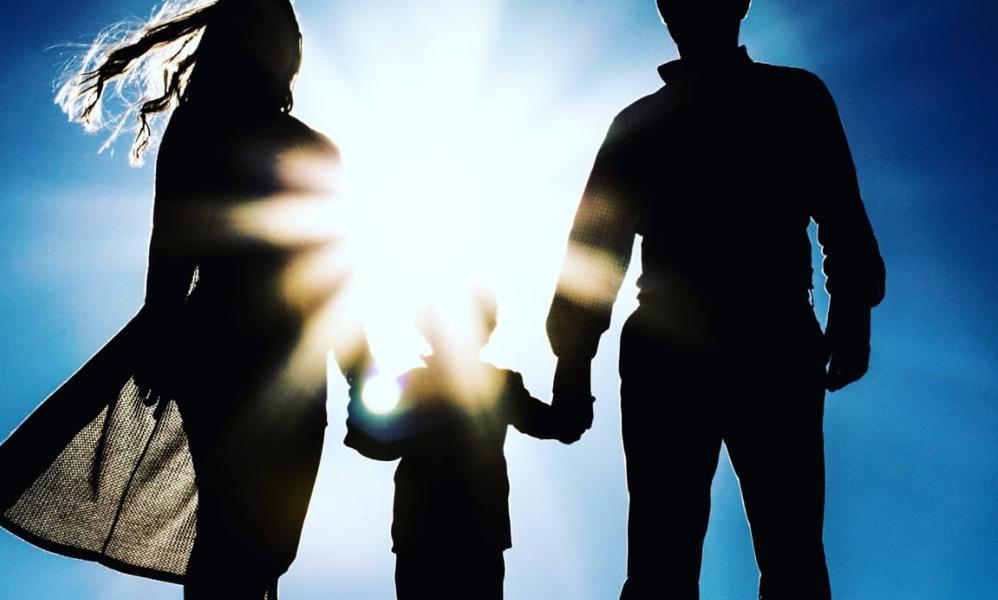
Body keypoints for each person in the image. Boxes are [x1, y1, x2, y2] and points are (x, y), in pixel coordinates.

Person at [0, 1, 370, 597]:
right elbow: (172, 245)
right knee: (234, 530)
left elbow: (336, 274)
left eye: (288, 32)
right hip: (221, 351)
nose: (281, 43)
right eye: (267, 28)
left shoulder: (316, 148)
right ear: (236, 39)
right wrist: (161, 332)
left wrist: (362, 376)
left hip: (298, 371)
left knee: (270, 549)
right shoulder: (202, 126)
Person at [545, 1, 886, 598]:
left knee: (774, 552)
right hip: (724, 343)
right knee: (675, 555)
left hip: (754, 337)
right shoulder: (660, 119)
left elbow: (839, 212)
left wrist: (853, 308)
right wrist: (572, 361)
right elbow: (596, 246)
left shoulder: (786, 99)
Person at [346, 290, 576, 599]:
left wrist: (360, 379)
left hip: (452, 539)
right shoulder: (423, 383)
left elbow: (562, 424)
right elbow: (375, 441)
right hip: (441, 540)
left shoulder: (495, 384)